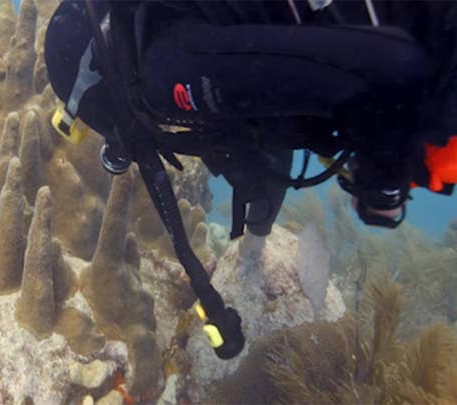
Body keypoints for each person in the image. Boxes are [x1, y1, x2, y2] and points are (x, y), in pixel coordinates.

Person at [44, 0, 457, 359]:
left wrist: (383, 189)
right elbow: (266, 121)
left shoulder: (162, 76)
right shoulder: (169, 26)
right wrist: (254, 244)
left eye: (93, 127)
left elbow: (393, 70)